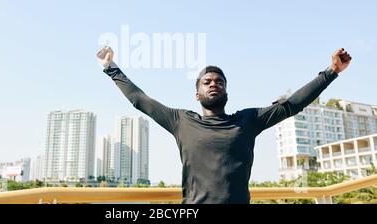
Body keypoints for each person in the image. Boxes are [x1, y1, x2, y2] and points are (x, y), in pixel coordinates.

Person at [97, 47, 352, 204]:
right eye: (206, 81)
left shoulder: (248, 120)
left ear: (226, 91)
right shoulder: (181, 121)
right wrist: (110, 67)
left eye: (219, 81)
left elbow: (293, 104)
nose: (213, 83)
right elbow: (140, 100)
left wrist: (332, 71)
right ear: (197, 94)